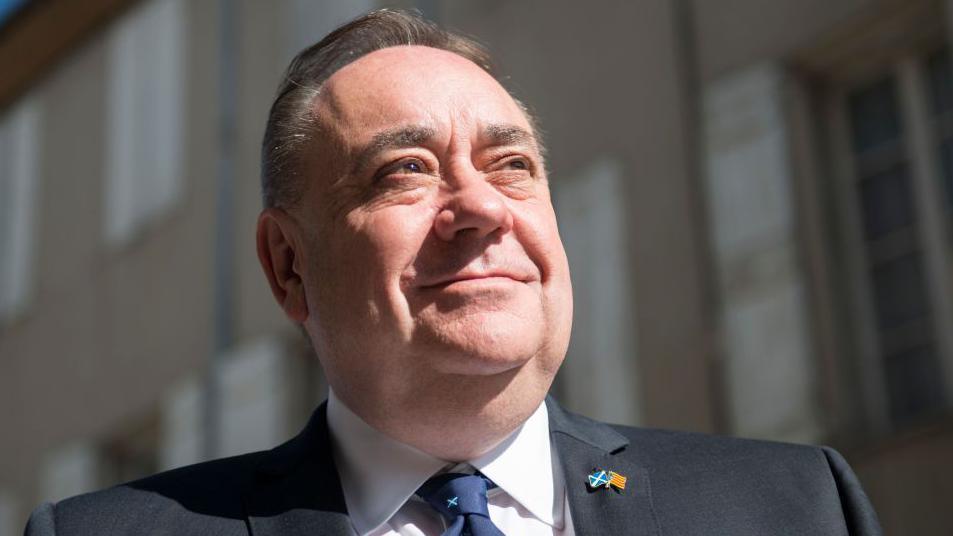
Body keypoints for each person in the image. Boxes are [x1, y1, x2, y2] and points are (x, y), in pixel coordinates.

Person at [25, 9, 881, 536]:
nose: (481, 207)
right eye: (406, 170)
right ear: (287, 266)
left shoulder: (792, 506)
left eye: (511, 165)